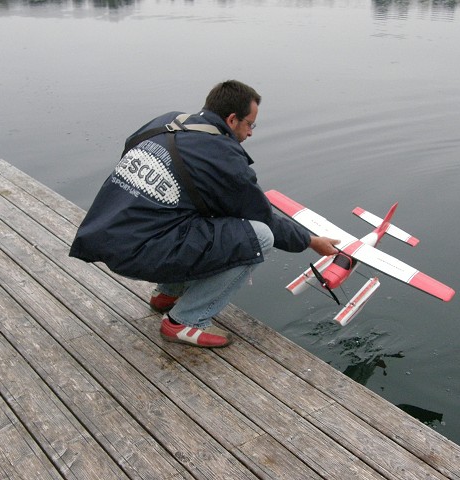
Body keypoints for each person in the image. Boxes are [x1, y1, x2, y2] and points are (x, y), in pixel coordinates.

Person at [69, 80, 338, 348]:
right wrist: (310, 241)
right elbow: (262, 217)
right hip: (138, 253)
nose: (251, 133)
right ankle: (184, 321)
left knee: (201, 211)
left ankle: (167, 294)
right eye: (250, 124)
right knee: (259, 237)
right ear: (232, 119)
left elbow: (131, 151)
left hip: (106, 234)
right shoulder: (221, 157)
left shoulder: (167, 120)